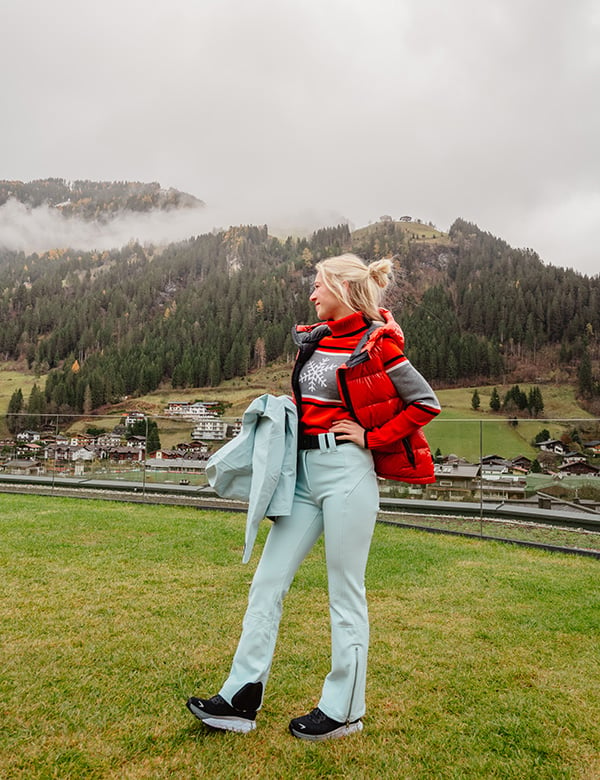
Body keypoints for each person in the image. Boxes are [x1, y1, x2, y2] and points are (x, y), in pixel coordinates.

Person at [187, 253, 441, 741]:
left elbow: (424, 403)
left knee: (345, 593)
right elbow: (313, 405)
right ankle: (240, 697)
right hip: (302, 474)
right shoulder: (316, 341)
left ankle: (344, 709)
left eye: (318, 285)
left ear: (343, 290)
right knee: (268, 582)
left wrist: (370, 438)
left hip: (346, 472)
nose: (311, 294)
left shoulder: (378, 344)